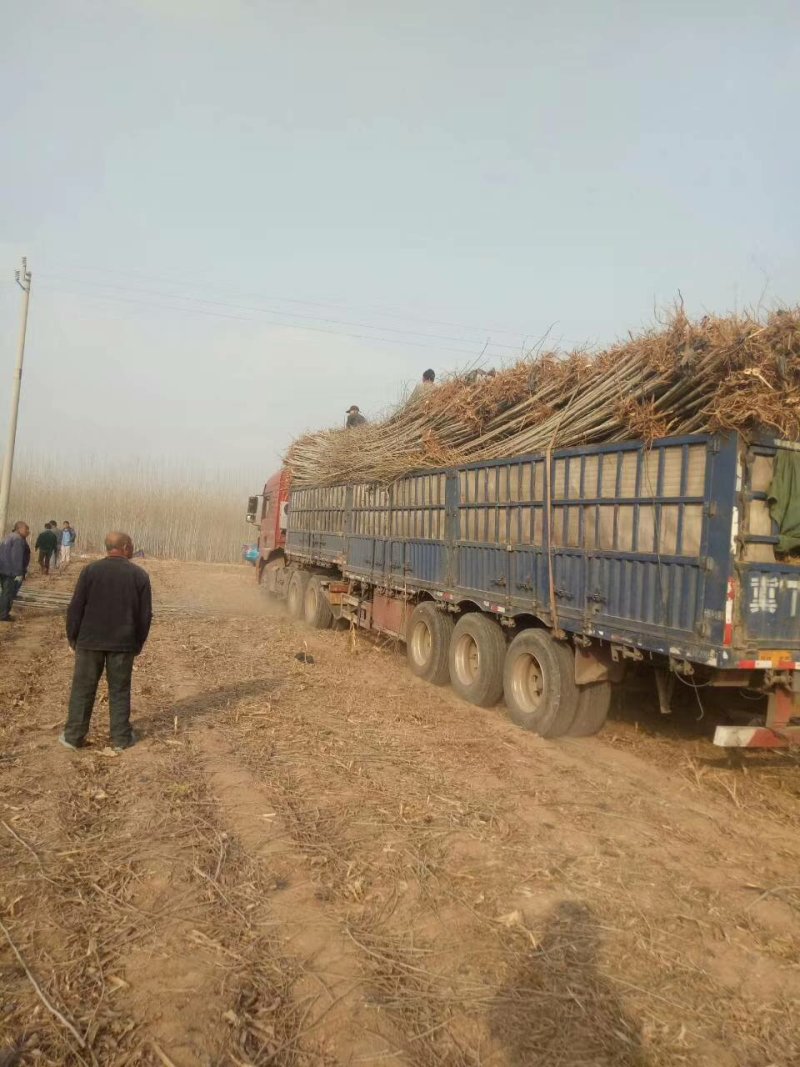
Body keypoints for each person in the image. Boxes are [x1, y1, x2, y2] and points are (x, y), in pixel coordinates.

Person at [59, 531, 152, 753]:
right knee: (119, 690)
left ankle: (73, 737)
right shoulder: (139, 575)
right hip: (123, 643)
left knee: (83, 689)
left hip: (89, 641)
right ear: (127, 547)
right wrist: (137, 643)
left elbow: (76, 607)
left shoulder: (90, 571)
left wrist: (73, 637)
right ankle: (121, 738)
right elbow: (145, 616)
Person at [0, 522, 31, 623]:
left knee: (5, 592)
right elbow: (17, 557)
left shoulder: (9, 536)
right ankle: (3, 615)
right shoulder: (18, 539)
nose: (28, 532)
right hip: (10, 571)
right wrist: (20, 572)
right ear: (19, 528)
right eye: (26, 529)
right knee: (8, 593)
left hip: (3, 568)